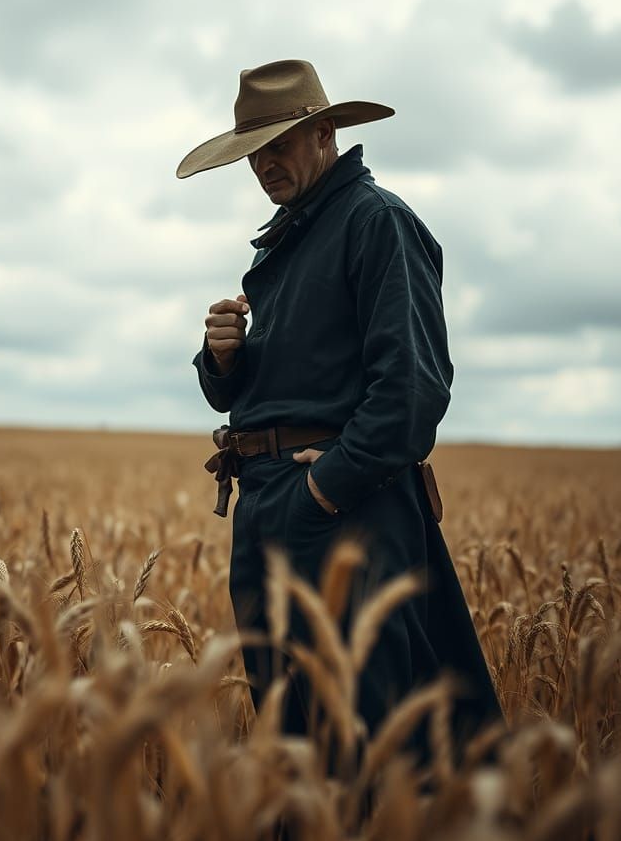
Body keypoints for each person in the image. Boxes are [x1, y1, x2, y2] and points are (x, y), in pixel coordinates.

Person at [177, 59, 502, 766]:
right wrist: (223, 359)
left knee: (364, 739)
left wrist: (327, 487)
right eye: (253, 152)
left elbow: (412, 390)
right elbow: (268, 389)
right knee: (290, 737)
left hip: (341, 513)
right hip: (270, 506)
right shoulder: (293, 237)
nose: (265, 163)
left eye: (280, 144)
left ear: (325, 133)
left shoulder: (375, 222)